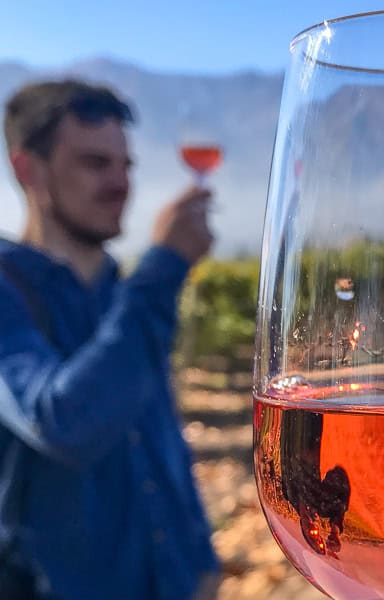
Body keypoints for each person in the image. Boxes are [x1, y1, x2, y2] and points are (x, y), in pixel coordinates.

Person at [0, 80, 220, 598]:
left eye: (127, 166)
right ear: (27, 169)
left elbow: (157, 433)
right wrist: (165, 266)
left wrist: (199, 559)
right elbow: (64, 422)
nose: (121, 183)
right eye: (95, 163)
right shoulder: (11, 291)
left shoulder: (120, 291)